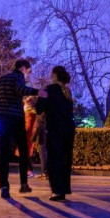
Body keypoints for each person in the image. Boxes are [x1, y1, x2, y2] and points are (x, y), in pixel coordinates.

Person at [0, 59, 39, 198]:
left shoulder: (2, 79)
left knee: (4, 153)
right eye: (28, 71)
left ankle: (4, 187)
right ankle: (24, 184)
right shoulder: (18, 77)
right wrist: (37, 92)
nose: (28, 75)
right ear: (23, 68)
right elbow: (20, 90)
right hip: (15, 118)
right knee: (23, 151)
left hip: (1, 118)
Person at [34, 66, 75, 201]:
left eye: (52, 73)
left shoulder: (48, 89)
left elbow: (39, 109)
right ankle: (64, 189)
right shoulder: (67, 91)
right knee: (65, 159)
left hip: (55, 129)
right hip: (68, 129)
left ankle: (57, 191)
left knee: (54, 160)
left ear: (55, 75)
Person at [16, 97, 37, 178]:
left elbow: (27, 126)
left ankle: (29, 171)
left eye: (24, 104)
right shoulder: (31, 113)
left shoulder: (29, 114)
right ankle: (28, 171)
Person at [32, 111, 48, 180]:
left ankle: (45, 173)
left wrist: (33, 138)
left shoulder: (40, 114)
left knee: (43, 155)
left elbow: (38, 127)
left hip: (42, 138)